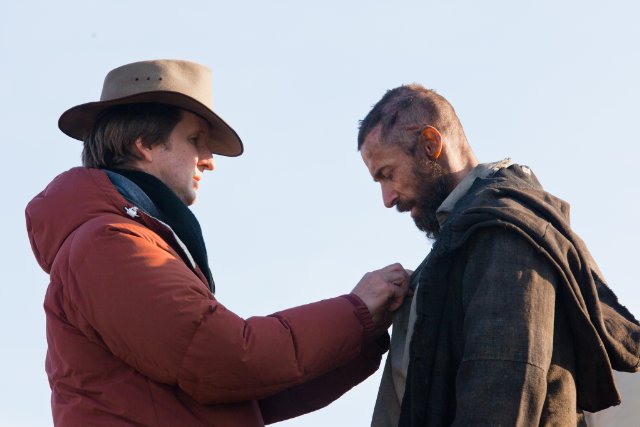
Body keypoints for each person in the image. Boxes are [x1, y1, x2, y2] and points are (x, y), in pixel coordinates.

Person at [25, 59, 410, 426]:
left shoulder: (129, 241)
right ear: (144, 144)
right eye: (195, 140)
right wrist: (354, 310)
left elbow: (244, 393)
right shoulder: (107, 244)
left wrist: (361, 333)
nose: (208, 160)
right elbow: (225, 359)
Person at [357, 84, 640, 426]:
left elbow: (505, 390)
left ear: (431, 144)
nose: (387, 199)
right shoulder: (469, 239)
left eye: (387, 174)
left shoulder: (504, 232)